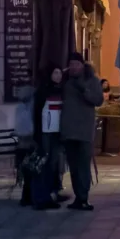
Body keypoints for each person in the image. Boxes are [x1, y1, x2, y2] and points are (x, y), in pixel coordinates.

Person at [61, 52, 103, 211]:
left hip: (84, 131)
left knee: (83, 165)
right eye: (71, 64)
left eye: (76, 64)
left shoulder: (92, 80)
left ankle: (84, 197)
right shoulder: (66, 81)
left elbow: (98, 100)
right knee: (73, 166)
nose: (73, 67)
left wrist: (84, 90)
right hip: (69, 130)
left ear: (82, 65)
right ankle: (78, 197)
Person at [34, 65, 67, 204]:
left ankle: (55, 190)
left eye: (60, 73)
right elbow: (37, 112)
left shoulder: (62, 90)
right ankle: (45, 193)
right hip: (46, 131)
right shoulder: (43, 90)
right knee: (46, 161)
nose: (58, 76)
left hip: (57, 131)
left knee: (56, 162)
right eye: (55, 73)